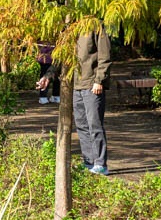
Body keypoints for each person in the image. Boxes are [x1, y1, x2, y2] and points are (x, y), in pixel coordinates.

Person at [37, 27, 112, 175]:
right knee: (81, 125)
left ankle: (100, 164)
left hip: (92, 85)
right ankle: (89, 162)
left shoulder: (96, 28)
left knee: (94, 124)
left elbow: (105, 57)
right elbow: (61, 61)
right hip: (75, 86)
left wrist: (99, 80)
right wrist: (47, 77)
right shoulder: (69, 31)